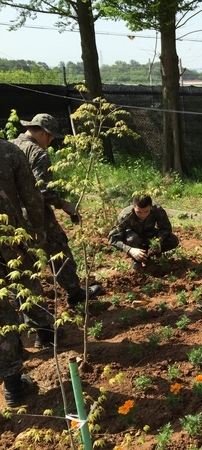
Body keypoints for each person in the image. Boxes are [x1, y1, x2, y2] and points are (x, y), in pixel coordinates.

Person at [12, 113, 103, 308]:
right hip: (35, 214)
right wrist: (64, 204)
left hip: (10, 216)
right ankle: (75, 293)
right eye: (52, 137)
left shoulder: (10, 146)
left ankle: (25, 309)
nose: (51, 141)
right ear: (45, 133)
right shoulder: (37, 153)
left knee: (21, 261)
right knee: (58, 248)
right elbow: (41, 190)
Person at [0, 139, 54, 406]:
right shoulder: (7, 150)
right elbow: (31, 196)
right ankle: (44, 333)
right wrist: (38, 229)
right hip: (10, 238)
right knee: (24, 284)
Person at [108, 194, 179, 272]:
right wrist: (130, 250)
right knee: (132, 238)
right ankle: (136, 260)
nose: (143, 215)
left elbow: (165, 228)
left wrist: (158, 242)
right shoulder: (125, 215)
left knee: (172, 239)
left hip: (150, 235)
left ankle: (149, 255)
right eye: (139, 212)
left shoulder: (157, 210)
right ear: (133, 207)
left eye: (146, 211)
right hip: (133, 239)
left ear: (151, 207)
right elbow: (113, 238)